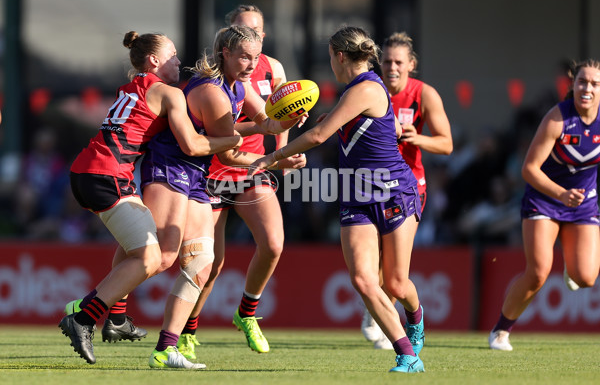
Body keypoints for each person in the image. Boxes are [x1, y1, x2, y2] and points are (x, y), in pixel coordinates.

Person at [59, 31, 242, 365]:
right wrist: (235, 138)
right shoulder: (169, 93)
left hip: (89, 172)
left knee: (147, 252)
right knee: (150, 258)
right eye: (172, 55)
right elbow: (194, 146)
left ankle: (114, 319)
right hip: (107, 175)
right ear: (154, 61)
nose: (178, 61)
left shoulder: (132, 87)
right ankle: (83, 315)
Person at [250, 26, 425, 373]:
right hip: (357, 193)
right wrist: (330, 121)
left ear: (339, 56)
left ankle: (416, 320)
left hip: (393, 190)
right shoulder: (354, 91)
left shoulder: (368, 86)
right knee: (362, 280)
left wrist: (272, 157)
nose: (330, 61)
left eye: (329, 55)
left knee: (395, 283)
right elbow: (360, 128)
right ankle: (408, 354)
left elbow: (317, 136)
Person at [145, 24, 305, 369]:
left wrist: (287, 123)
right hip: (175, 169)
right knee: (162, 258)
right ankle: (95, 308)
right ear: (225, 54)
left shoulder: (238, 85)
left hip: (194, 175)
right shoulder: (214, 93)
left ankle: (166, 347)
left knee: (199, 264)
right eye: (244, 57)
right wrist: (276, 161)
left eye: (255, 56)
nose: (251, 63)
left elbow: (266, 123)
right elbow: (229, 153)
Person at [488, 59, 600, 351]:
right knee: (538, 272)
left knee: (586, 278)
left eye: (594, 84)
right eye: (582, 82)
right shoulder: (557, 118)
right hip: (545, 199)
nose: (587, 88)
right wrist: (562, 194)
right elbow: (529, 169)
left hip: (584, 205)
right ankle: (500, 331)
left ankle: (571, 266)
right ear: (572, 85)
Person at [361, 32, 453, 349]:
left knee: (395, 273)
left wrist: (417, 139)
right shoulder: (369, 90)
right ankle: (377, 312)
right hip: (369, 185)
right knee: (369, 260)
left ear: (411, 64)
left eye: (399, 61)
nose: (392, 67)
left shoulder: (423, 94)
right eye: (386, 61)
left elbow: (446, 143)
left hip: (409, 187)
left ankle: (386, 318)